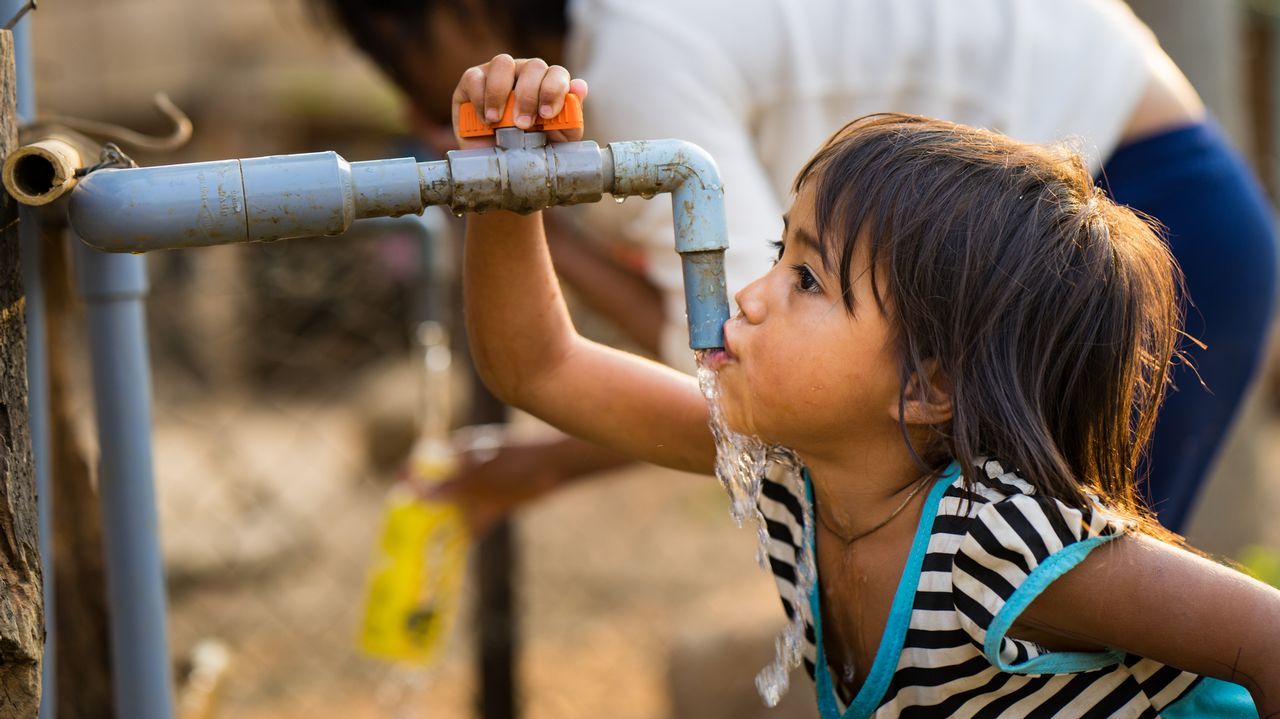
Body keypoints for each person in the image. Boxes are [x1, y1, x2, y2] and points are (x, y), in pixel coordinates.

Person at [453, 58, 1280, 715]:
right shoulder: (790, 470)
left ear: (927, 385)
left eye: (806, 278)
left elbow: (1267, 636)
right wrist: (503, 187)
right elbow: (539, 367)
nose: (750, 292)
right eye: (780, 252)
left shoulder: (1001, 543)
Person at [312, 0, 1275, 534]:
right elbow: (718, 357)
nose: (402, 87)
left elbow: (717, 348)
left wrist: (556, 457)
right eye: (782, 254)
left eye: (394, 39)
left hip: (1132, 207)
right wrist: (523, 222)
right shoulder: (833, 481)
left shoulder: (639, 53)